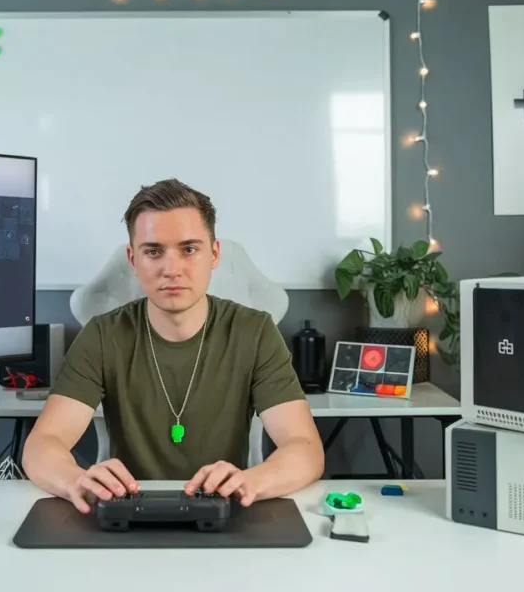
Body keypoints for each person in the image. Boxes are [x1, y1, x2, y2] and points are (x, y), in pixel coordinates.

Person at [21, 178, 324, 513]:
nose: (171, 269)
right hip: (127, 513)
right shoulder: (102, 335)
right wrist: (72, 480)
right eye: (153, 252)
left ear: (214, 254)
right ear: (133, 260)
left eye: (189, 249)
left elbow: (305, 448)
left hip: (225, 512)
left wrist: (250, 481)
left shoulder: (254, 331)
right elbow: (43, 444)